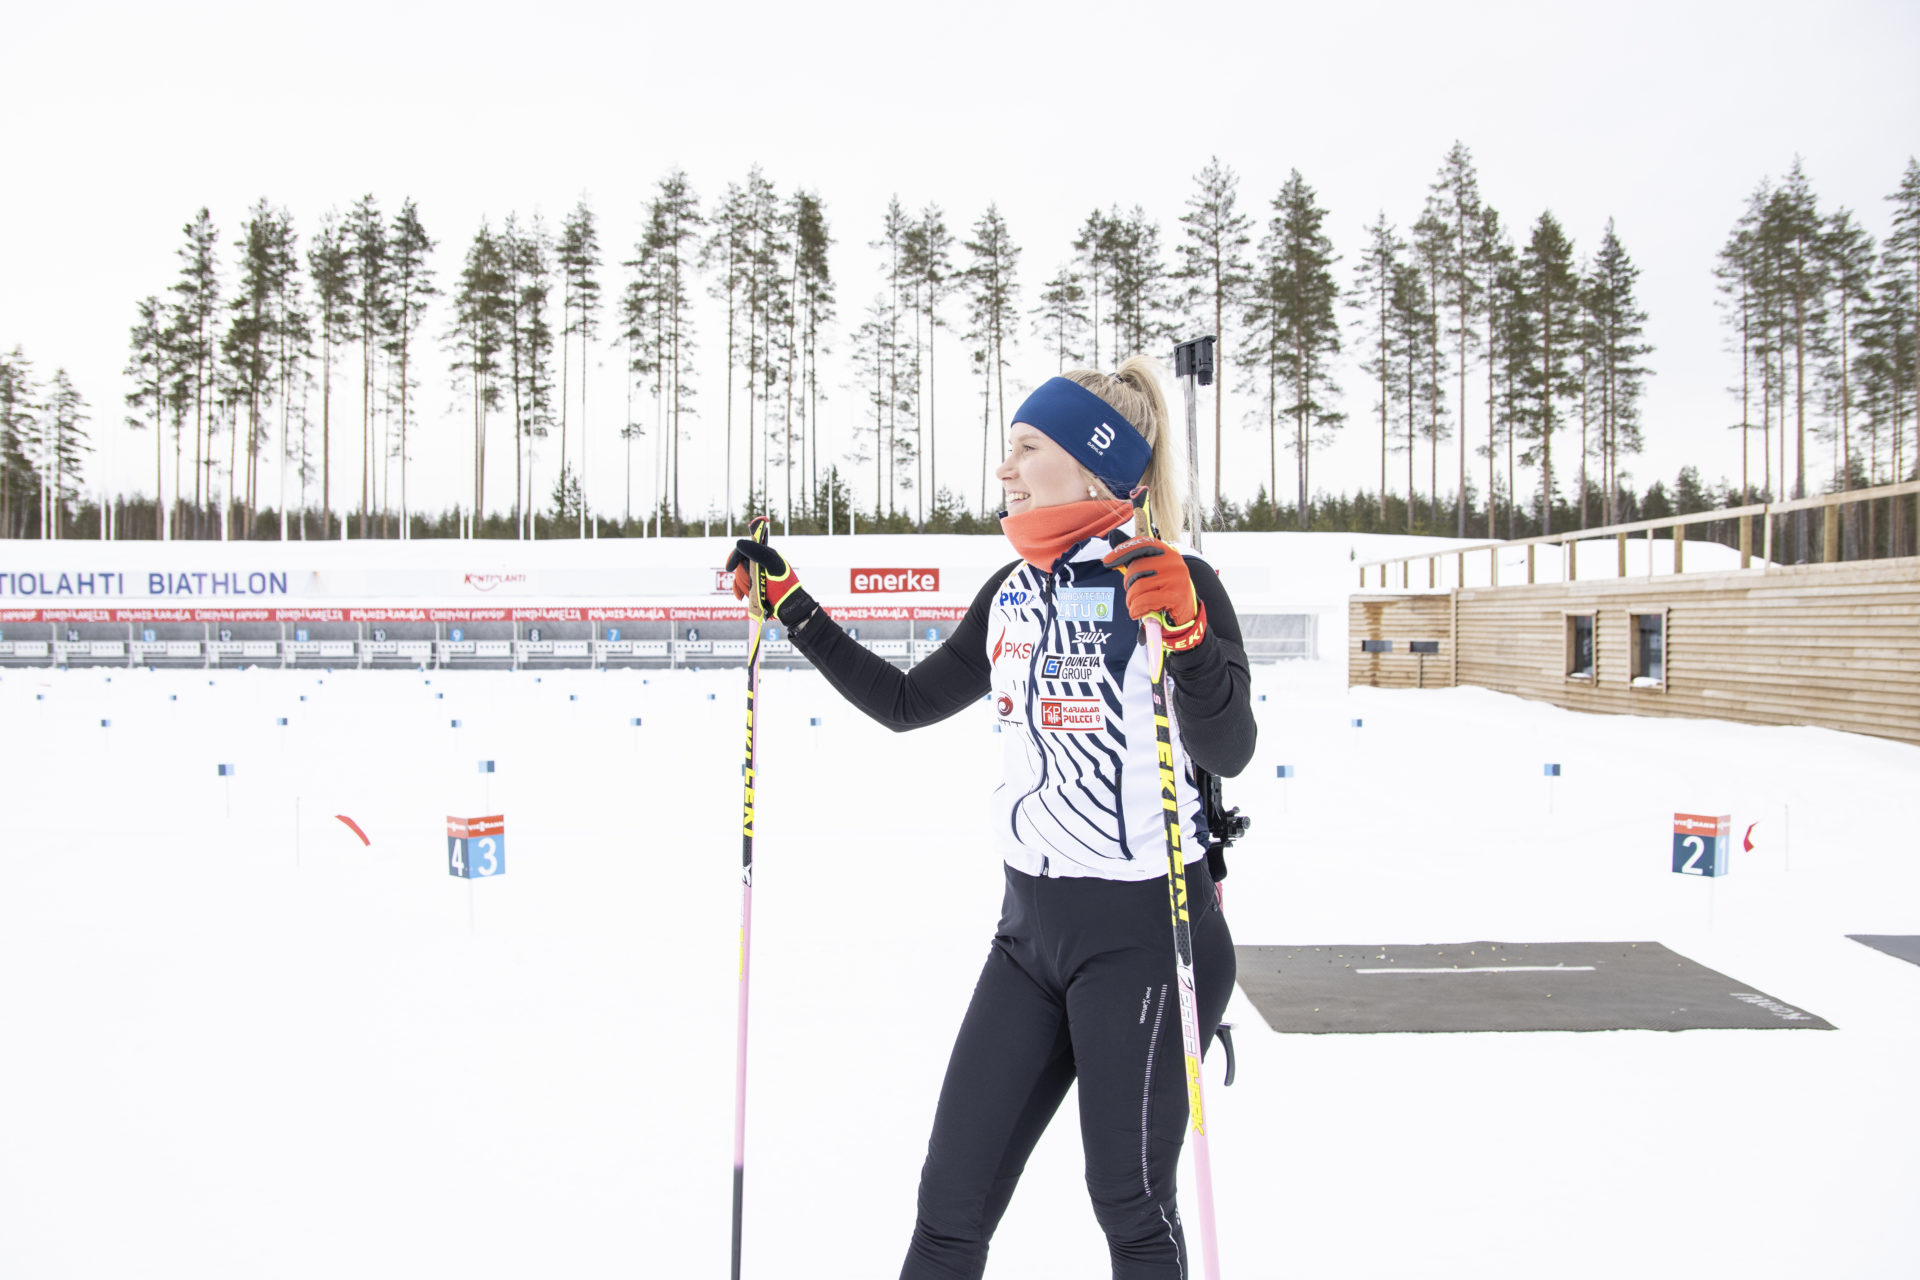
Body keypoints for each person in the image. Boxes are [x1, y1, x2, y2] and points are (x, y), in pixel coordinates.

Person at [727, 356, 1256, 1279]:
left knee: (1130, 1206)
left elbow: (1229, 748)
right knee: (949, 1208)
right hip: (1028, 938)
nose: (1004, 469)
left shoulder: (1174, 580)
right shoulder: (1012, 591)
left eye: (1025, 447)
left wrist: (1191, 640)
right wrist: (791, 604)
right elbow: (903, 702)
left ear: (1095, 465)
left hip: (1145, 935)